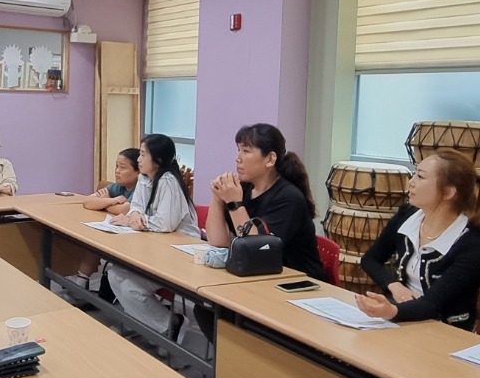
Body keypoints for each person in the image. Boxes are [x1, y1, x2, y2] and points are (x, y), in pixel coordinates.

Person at [356, 150, 480, 333]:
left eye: (420, 177)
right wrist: (393, 285)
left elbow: (431, 304)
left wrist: (391, 310)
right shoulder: (408, 215)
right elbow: (370, 259)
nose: (410, 183)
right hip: (403, 320)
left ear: (448, 192)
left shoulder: (473, 244)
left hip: (446, 330)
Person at [105, 135, 200, 341]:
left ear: (156, 159)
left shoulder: (169, 181)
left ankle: (172, 324)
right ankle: (147, 323)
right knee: (114, 273)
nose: (139, 159)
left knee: (131, 288)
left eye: (142, 154)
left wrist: (136, 220)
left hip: (179, 253)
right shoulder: (145, 178)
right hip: (155, 247)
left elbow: (165, 224)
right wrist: (135, 215)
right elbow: (137, 206)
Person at [205, 123, 325, 279]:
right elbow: (218, 241)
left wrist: (234, 203)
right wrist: (217, 199)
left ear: (270, 159)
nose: (238, 158)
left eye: (246, 151)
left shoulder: (289, 198)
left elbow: (258, 247)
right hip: (259, 275)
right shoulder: (245, 190)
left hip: (296, 281)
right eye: (238, 150)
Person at [69, 148, 142, 289]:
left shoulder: (140, 189)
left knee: (97, 241)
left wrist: (103, 203)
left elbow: (124, 209)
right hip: (114, 230)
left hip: (132, 239)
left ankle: (82, 286)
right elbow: (88, 201)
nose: (117, 171)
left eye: (123, 167)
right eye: (116, 166)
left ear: (138, 172)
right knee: (93, 241)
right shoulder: (117, 187)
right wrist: (112, 201)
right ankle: (79, 286)